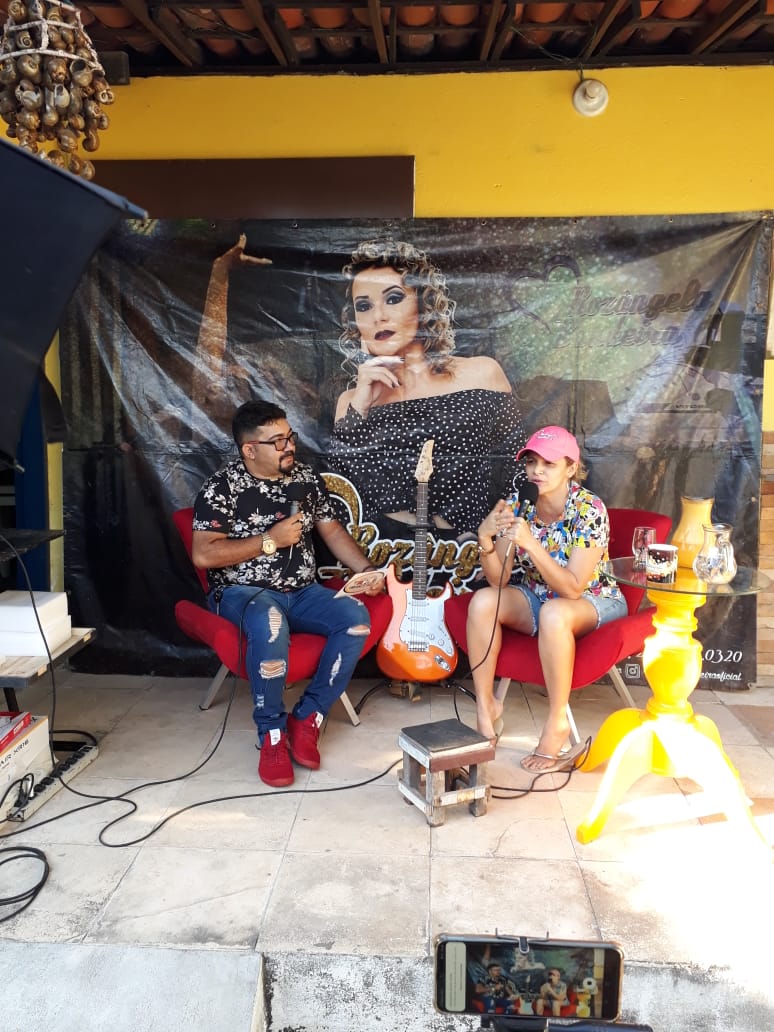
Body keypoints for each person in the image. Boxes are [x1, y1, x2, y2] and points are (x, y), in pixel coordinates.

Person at [191, 399, 383, 788]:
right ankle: (272, 734)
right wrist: (269, 540)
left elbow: (331, 530)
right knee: (270, 622)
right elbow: (203, 554)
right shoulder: (222, 488)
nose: (290, 446)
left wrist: (365, 571)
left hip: (303, 591)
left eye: (290, 437)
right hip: (243, 592)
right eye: (277, 441)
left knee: (355, 619)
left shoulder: (306, 479)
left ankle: (309, 716)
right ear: (250, 450)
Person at [328, 239, 527, 539]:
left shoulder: (482, 374)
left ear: (423, 303)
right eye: (364, 306)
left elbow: (516, 472)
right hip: (391, 553)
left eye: (393, 298)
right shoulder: (352, 402)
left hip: (475, 550)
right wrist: (361, 404)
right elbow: (341, 493)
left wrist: (494, 547)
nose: (378, 316)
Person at [467, 425, 627, 772]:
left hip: (594, 599)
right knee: (482, 603)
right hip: (540, 596)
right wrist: (485, 539)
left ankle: (557, 722)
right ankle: (486, 709)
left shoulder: (589, 509)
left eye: (549, 463)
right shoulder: (520, 504)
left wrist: (531, 543)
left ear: (571, 468)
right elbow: (499, 579)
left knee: (555, 612)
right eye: (531, 462)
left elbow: (572, 588)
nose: (537, 470)